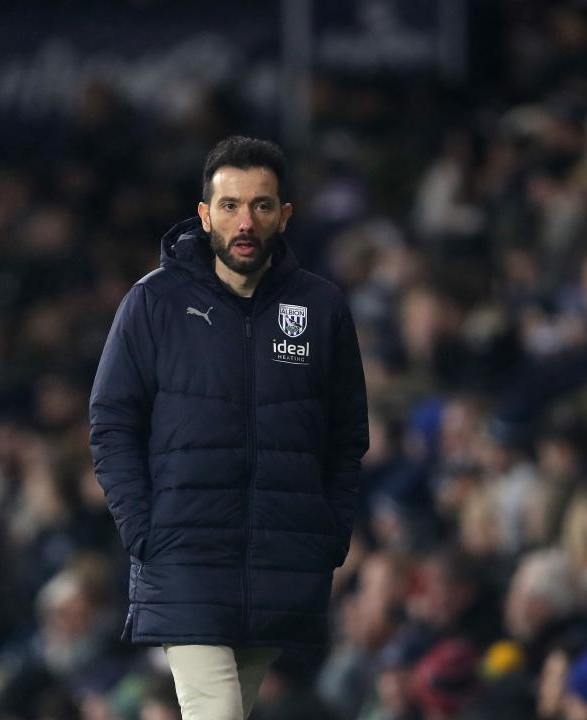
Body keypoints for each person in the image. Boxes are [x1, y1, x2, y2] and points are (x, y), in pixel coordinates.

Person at [89, 136, 370, 720]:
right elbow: (111, 422)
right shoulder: (154, 302)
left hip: (281, 560)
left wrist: (328, 534)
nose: (246, 221)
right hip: (183, 556)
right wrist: (143, 530)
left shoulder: (320, 308)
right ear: (204, 214)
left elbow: (346, 438)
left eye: (261, 206)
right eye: (230, 205)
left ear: (284, 214)